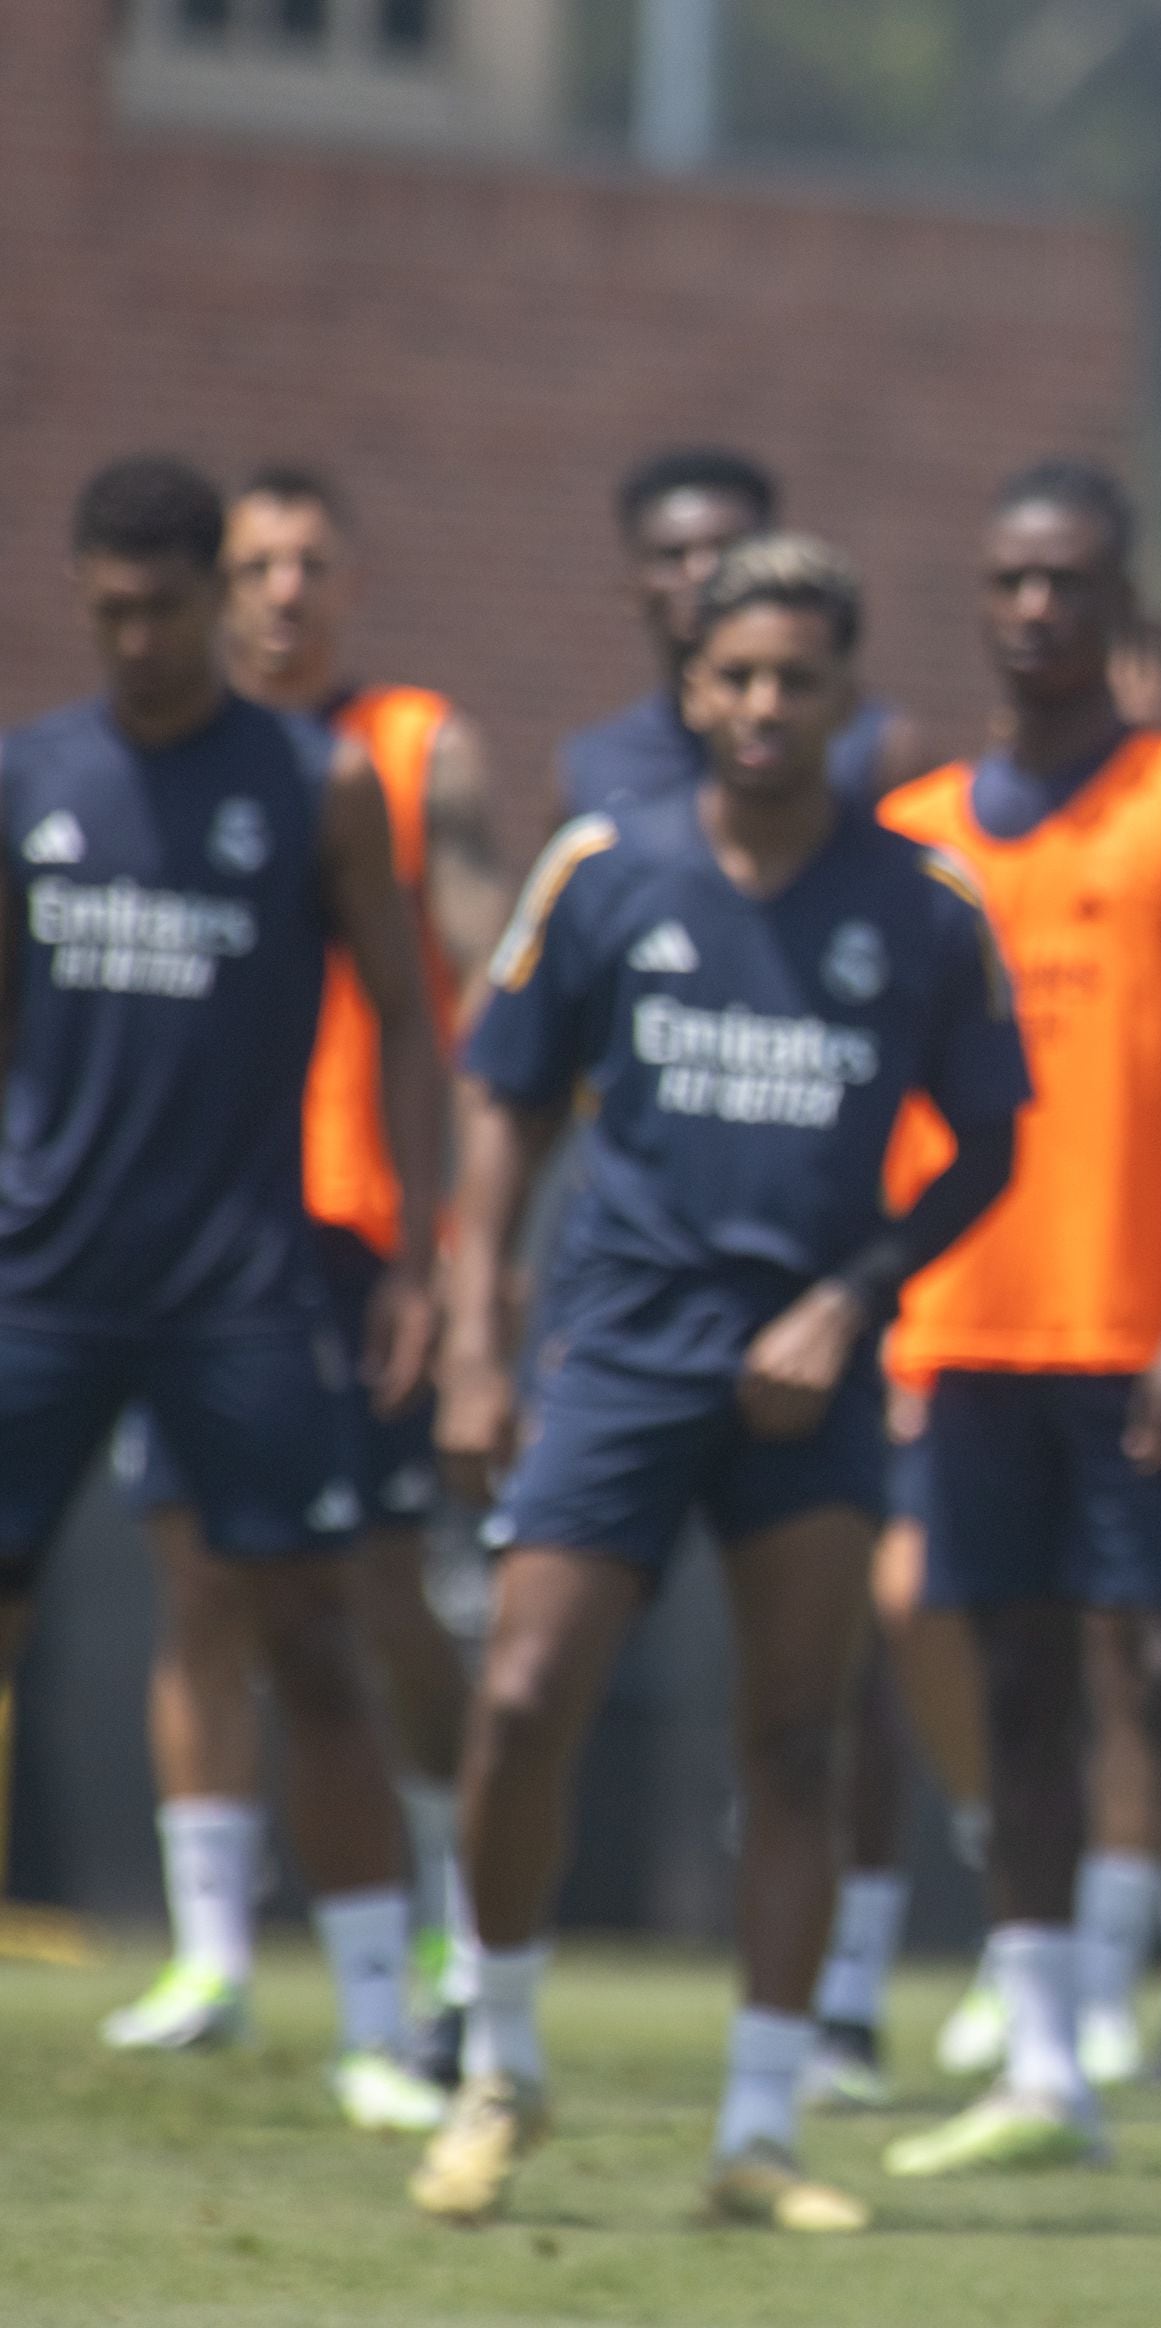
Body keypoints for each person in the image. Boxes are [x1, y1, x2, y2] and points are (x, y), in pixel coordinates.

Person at [413, 533, 1027, 2232]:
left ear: (847, 700)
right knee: (524, 1697)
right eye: (734, 677)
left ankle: (760, 2128)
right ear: (690, 686)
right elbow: (503, 1095)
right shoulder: (607, 867)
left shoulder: (920, 905)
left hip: (804, 1381)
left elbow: (988, 1146)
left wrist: (853, 1301)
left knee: (798, 1736)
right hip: (615, 1347)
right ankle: (498, 2063)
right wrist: (473, 1330)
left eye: (797, 681)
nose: (762, 706)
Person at [0, 454, 450, 2130]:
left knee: (314, 1637)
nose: (134, 639)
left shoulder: (314, 781)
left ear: (216, 599)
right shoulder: (30, 776)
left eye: (162, 609)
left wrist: (416, 1248)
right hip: (44, 1278)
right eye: (105, 609)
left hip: (242, 1287)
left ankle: (376, 2026)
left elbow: (407, 1014)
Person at [869, 460, 1161, 2191]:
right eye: (1011, 580)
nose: (1038, 608)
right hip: (972, 1328)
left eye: (1070, 581)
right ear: (982, 600)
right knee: (1024, 1694)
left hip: (1146, 1330)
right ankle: (1045, 2058)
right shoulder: (914, 833)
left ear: (1121, 605)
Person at [100, 467, 526, 2103]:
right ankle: (212, 1944)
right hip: (194, 1230)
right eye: (255, 564)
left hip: (357, 1231)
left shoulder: (408, 751)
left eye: (309, 564)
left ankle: (437, 1900)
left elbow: (486, 973)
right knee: (194, 1575)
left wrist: (463, 1238)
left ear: (350, 583)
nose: (282, 592)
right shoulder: (150, 762)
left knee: (359, 1587)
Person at [557, 449, 925, 822]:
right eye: (673, 556)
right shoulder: (591, 768)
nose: (701, 573)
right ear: (633, 586)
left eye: (727, 550)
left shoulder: (879, 752)